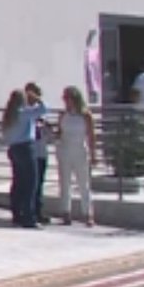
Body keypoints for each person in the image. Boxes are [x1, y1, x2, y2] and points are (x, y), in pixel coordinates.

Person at [2, 88, 49, 228]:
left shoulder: (9, 115)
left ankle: (17, 214)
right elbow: (44, 109)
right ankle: (29, 217)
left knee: (18, 183)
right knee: (30, 184)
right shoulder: (24, 113)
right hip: (26, 148)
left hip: (14, 149)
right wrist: (37, 98)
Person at [57, 85, 97, 227]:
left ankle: (88, 213)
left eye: (68, 98)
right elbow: (60, 133)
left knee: (83, 183)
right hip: (65, 149)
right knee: (65, 182)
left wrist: (93, 154)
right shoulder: (63, 115)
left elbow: (91, 136)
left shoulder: (86, 115)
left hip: (80, 149)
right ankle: (66, 212)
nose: (66, 101)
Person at [25, 83, 50, 225]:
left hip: (41, 152)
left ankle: (38, 211)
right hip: (31, 152)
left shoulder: (40, 114)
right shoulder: (26, 111)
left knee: (39, 184)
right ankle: (29, 212)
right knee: (30, 184)